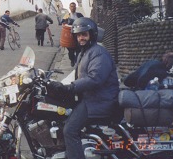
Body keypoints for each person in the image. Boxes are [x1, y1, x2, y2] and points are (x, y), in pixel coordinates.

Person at [48, 17, 120, 159]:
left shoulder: (98, 52)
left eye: (84, 34)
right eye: (78, 35)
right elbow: (78, 75)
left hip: (98, 101)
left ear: (91, 35)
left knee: (69, 130)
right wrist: (58, 84)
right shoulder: (85, 52)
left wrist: (70, 88)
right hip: (91, 98)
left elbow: (95, 79)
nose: (81, 38)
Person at [61, 2, 84, 67]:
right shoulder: (67, 15)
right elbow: (62, 23)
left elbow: (83, 22)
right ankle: (72, 59)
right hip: (69, 36)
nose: (72, 8)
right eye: (71, 6)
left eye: (74, 6)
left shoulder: (79, 15)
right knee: (70, 51)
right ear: (69, 7)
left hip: (78, 35)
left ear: (75, 7)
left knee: (78, 49)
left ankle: (77, 62)